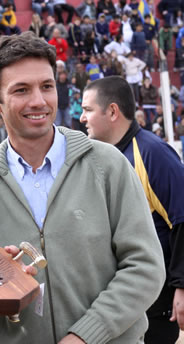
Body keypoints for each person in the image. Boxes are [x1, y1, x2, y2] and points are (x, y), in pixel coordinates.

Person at [0, 32, 165, 344]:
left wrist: (83, 337)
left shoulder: (108, 165)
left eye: (46, 86)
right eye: (21, 90)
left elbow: (146, 268)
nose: (39, 101)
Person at [80, 76, 184, 344]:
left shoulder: (152, 153)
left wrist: (181, 287)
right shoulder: (102, 157)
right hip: (121, 301)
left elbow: (182, 219)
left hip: (155, 304)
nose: (82, 118)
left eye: (88, 109)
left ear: (113, 111)